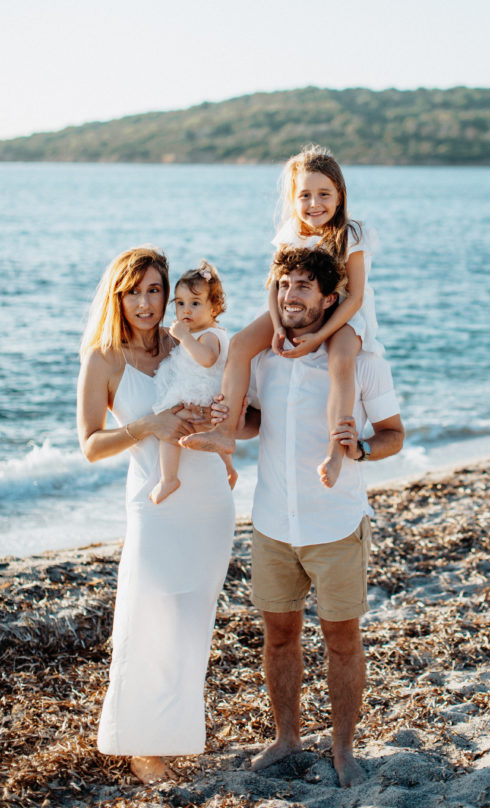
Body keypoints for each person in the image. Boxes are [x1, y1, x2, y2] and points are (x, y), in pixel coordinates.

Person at [185, 245, 404, 787]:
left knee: (342, 640)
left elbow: (395, 435)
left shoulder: (364, 363)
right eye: (285, 286)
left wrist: (362, 451)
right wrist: (217, 421)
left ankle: (344, 750)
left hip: (336, 524)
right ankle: (286, 738)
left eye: (303, 287)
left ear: (331, 299)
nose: (290, 296)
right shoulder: (261, 359)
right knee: (279, 634)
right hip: (272, 524)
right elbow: (254, 421)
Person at [77, 246, 235, 785]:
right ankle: (139, 744)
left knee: (192, 622)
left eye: (154, 291)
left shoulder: (184, 340)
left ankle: (173, 735)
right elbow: (91, 445)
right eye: (133, 291)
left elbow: (237, 405)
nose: (145, 303)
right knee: (146, 618)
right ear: (117, 295)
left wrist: (223, 418)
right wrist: (150, 426)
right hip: (155, 501)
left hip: (209, 497)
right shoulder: (104, 357)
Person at [215, 144, 382, 490]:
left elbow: (356, 298)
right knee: (241, 344)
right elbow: (274, 286)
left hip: (344, 314)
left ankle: (337, 449)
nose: (314, 204)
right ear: (293, 198)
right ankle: (224, 432)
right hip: (293, 310)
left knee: (340, 361)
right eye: (304, 195)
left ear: (339, 196)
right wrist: (277, 326)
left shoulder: (352, 235)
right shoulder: (291, 234)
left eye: (324, 194)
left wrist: (319, 338)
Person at [150, 260, 236, 504]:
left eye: (195, 304)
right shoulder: (198, 333)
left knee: (169, 429)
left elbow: (207, 359)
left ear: (215, 307)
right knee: (209, 433)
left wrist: (185, 338)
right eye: (180, 304)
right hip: (198, 392)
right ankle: (229, 469)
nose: (186, 310)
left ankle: (169, 478)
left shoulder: (210, 336)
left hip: (203, 393)